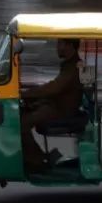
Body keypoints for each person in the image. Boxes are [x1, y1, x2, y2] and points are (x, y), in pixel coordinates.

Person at [20, 38, 83, 173]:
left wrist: (27, 94)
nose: (57, 48)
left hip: (61, 111)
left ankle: (37, 161)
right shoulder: (69, 64)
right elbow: (55, 87)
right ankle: (35, 157)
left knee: (21, 123)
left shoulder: (74, 67)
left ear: (70, 45)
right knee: (24, 114)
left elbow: (54, 88)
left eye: (60, 44)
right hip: (56, 106)